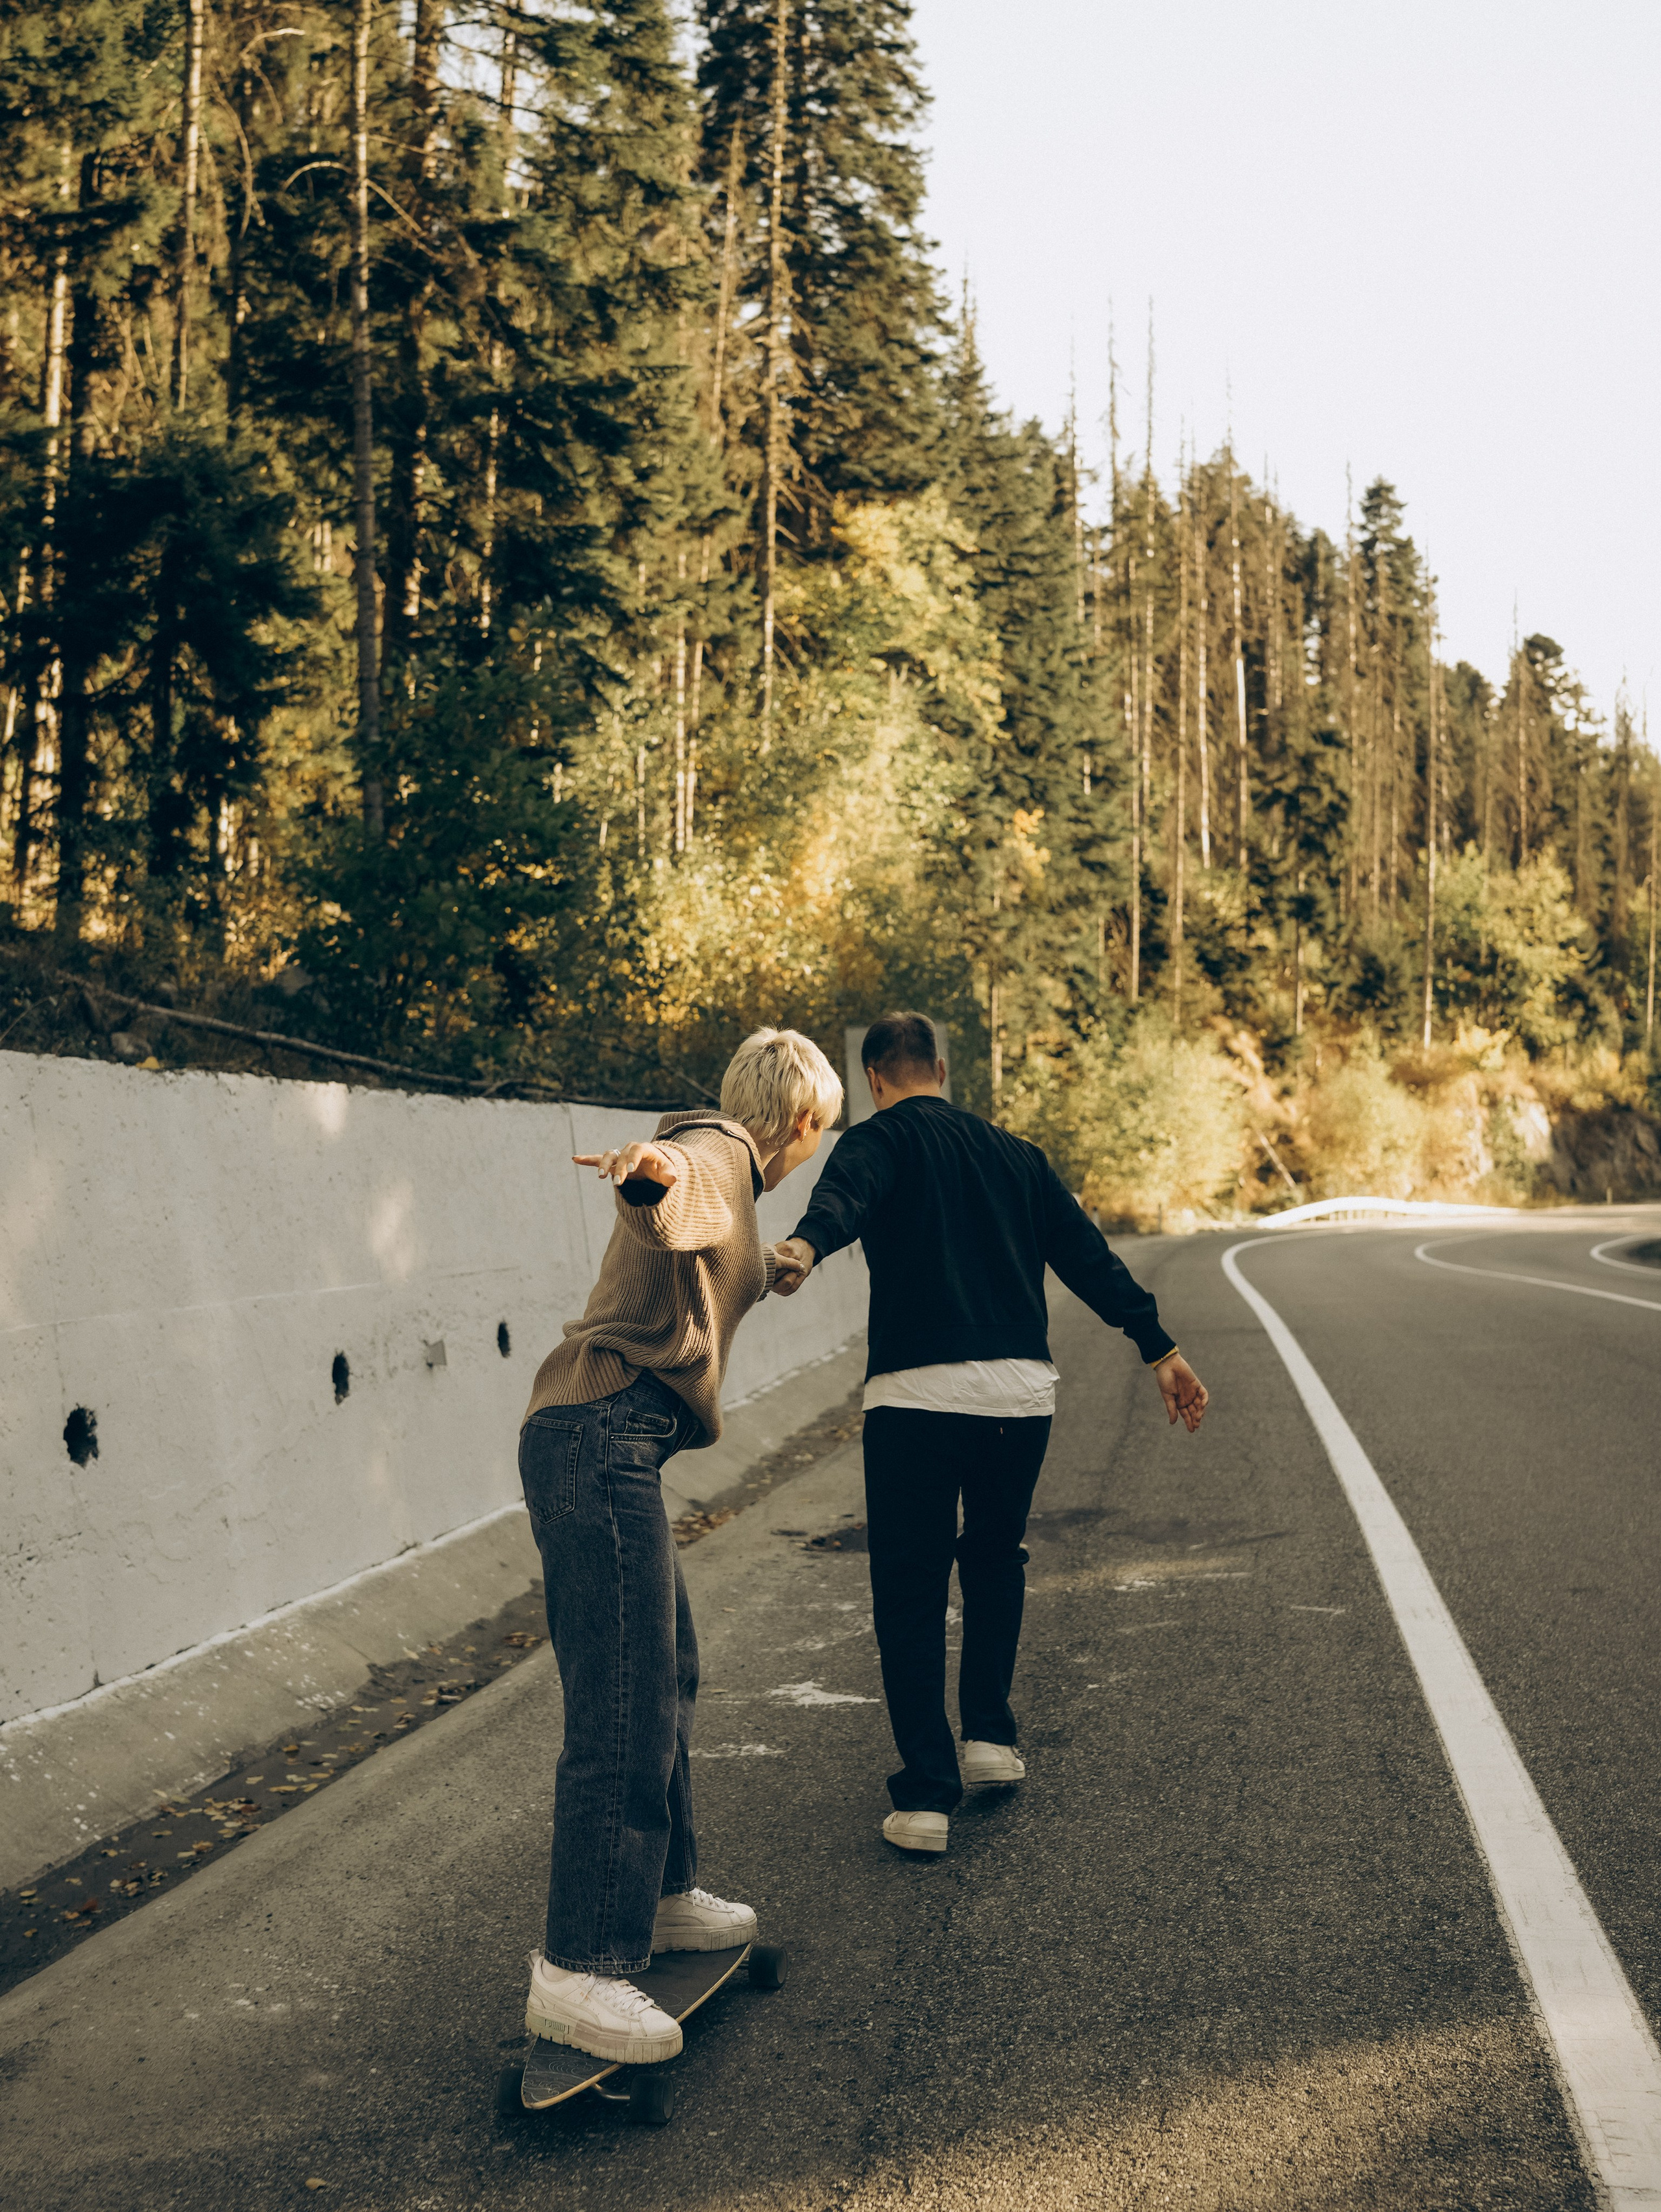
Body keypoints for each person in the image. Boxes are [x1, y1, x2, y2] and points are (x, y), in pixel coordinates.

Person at [772, 1011, 1208, 1855]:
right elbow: (1087, 1255)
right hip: (1019, 1396)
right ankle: (991, 1738)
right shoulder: (1017, 1155)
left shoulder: (878, 1139)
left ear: (875, 1079)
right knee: (995, 1556)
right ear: (942, 1066)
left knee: (910, 1585)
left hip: (917, 1397)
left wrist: (804, 1246)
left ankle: (929, 1796)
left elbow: (841, 1201)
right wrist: (1159, 1345)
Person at [518, 1028, 843, 2063]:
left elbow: (710, 1237)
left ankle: (656, 1896)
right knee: (622, 1703)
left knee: (667, 1673)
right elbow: (675, 1192)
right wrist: (645, 1177)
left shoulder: (735, 1180)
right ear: (801, 1123)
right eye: (819, 1136)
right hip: (599, 1435)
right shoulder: (712, 1155)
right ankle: (580, 1966)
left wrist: (780, 1260)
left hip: (607, 1440)